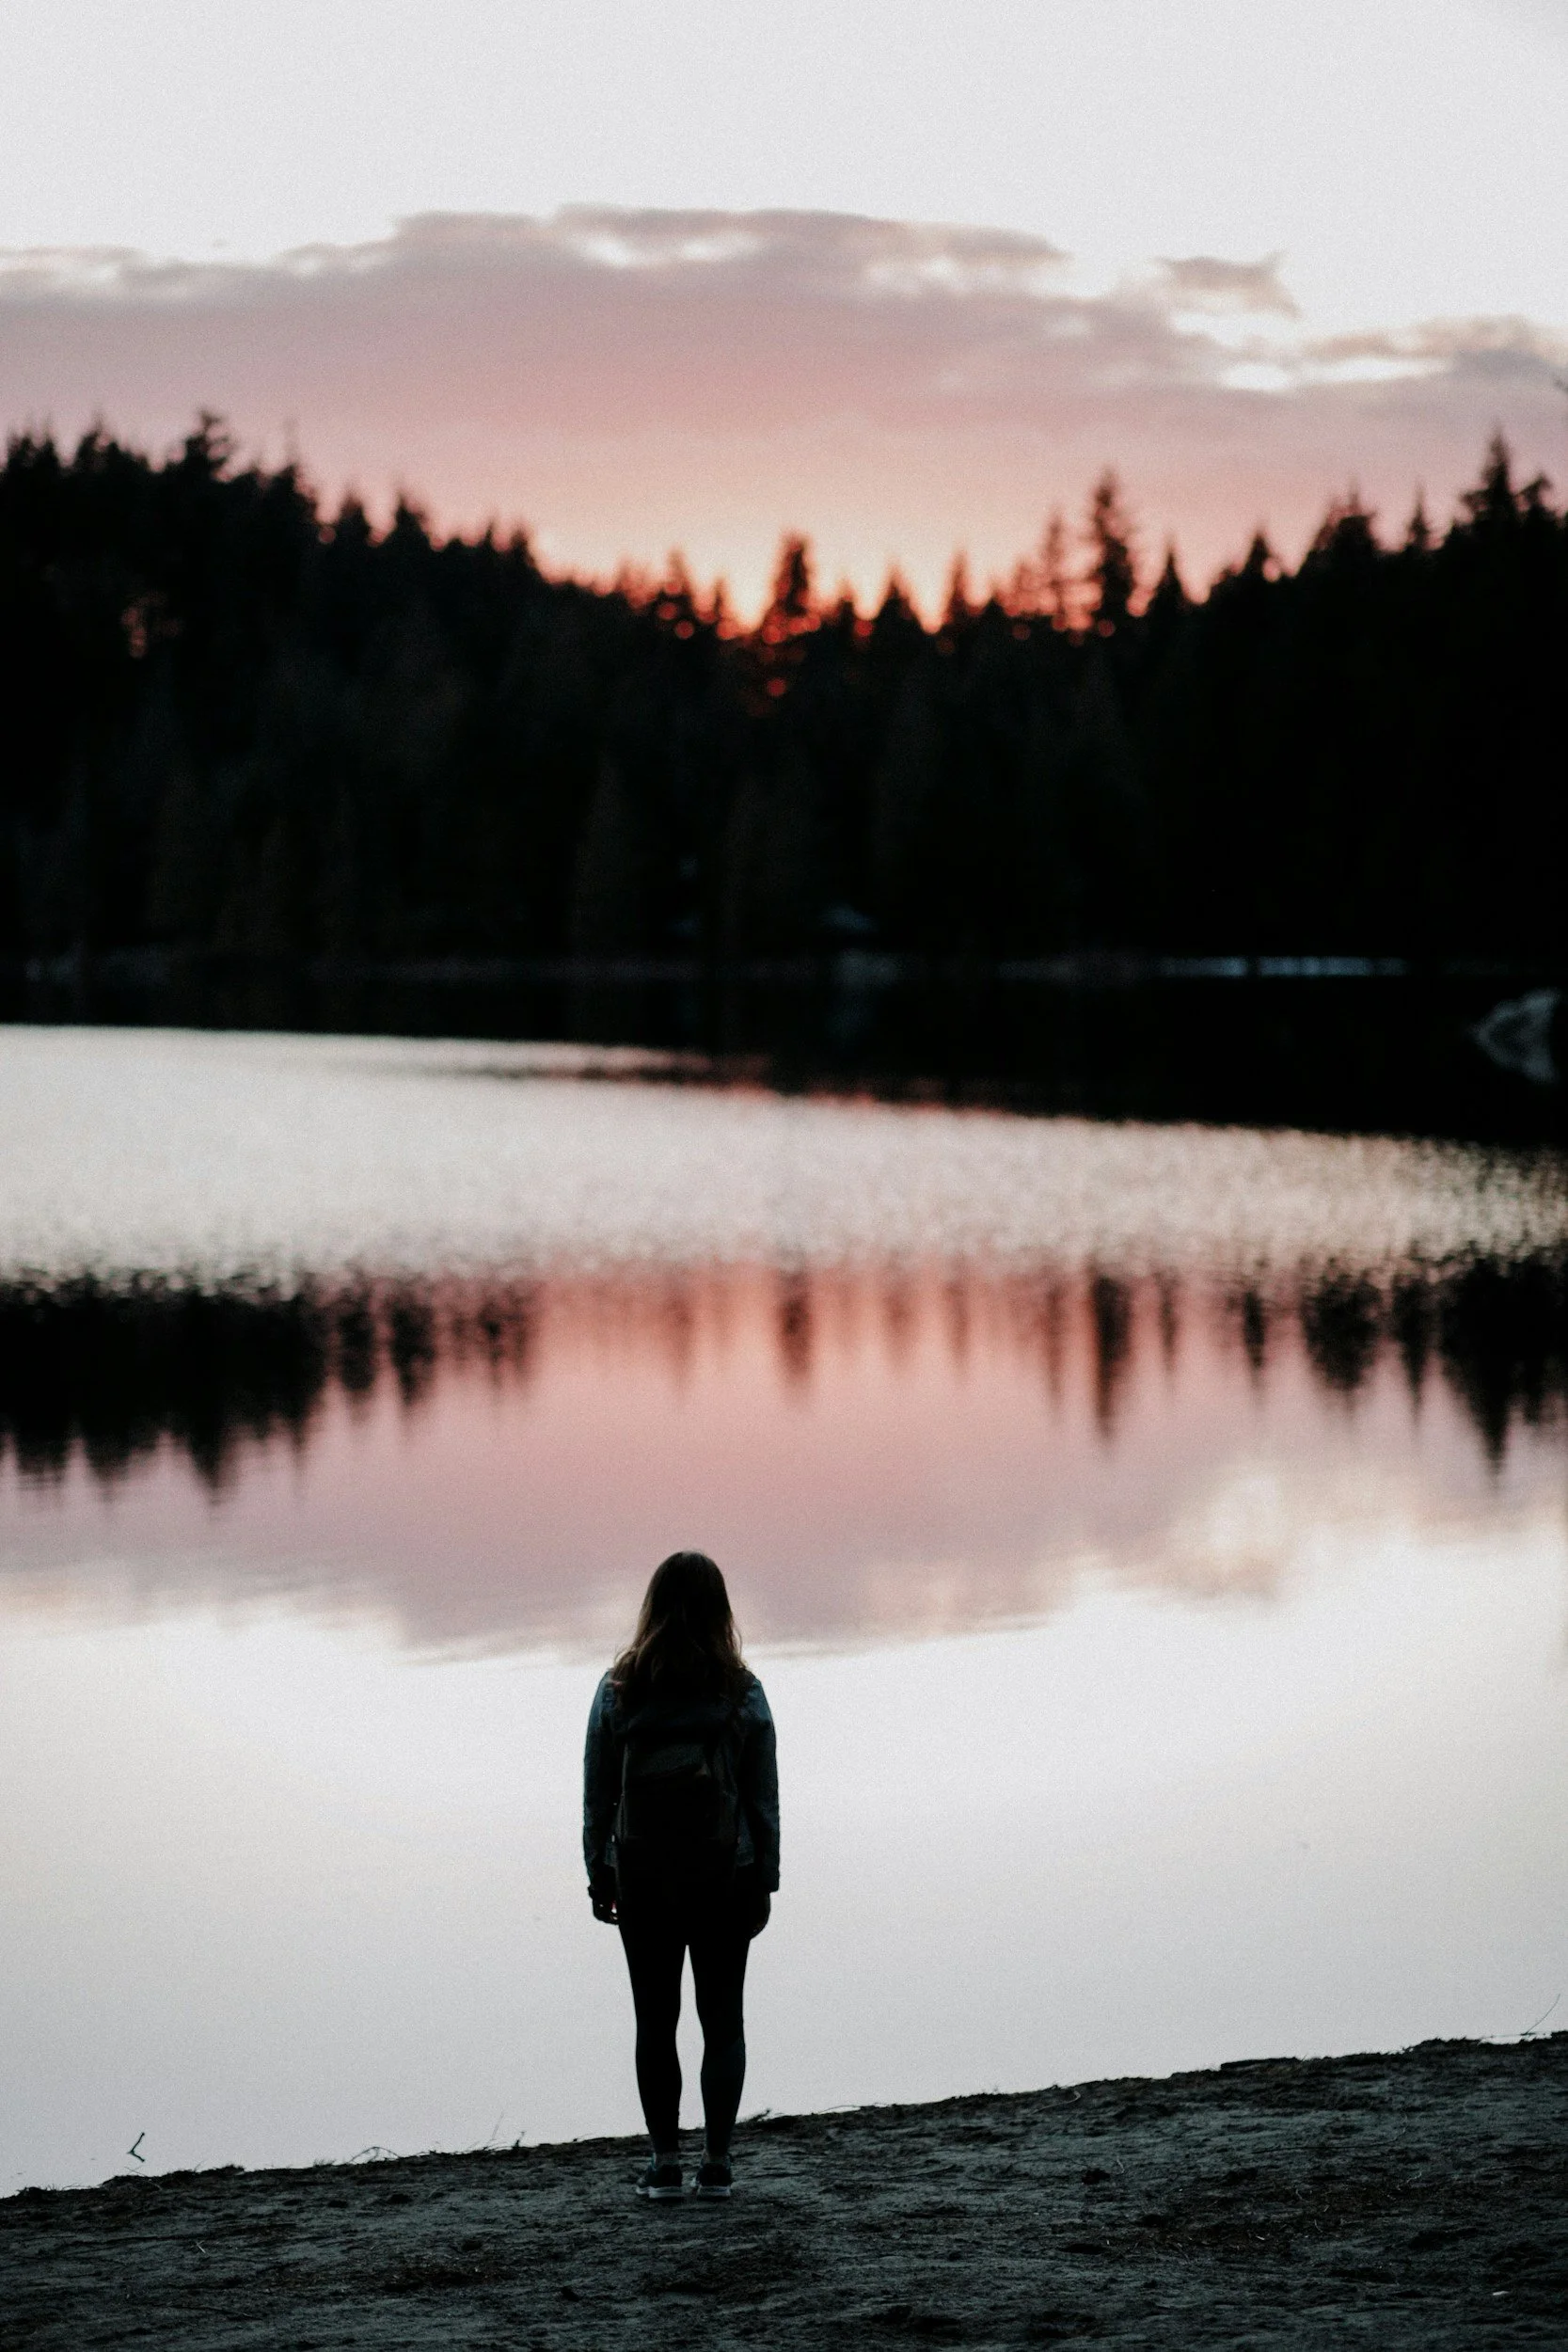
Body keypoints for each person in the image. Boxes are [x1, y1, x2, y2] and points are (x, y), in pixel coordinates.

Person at [583, 1550, 779, 2200]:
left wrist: (597, 1873)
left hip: (641, 1873)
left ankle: (664, 2164)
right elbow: (762, 1798)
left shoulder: (619, 1690)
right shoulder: (741, 1692)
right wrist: (766, 1879)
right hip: (726, 1872)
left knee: (655, 2021)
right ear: (720, 1610)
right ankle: (717, 2163)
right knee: (723, 2021)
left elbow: (597, 1795)